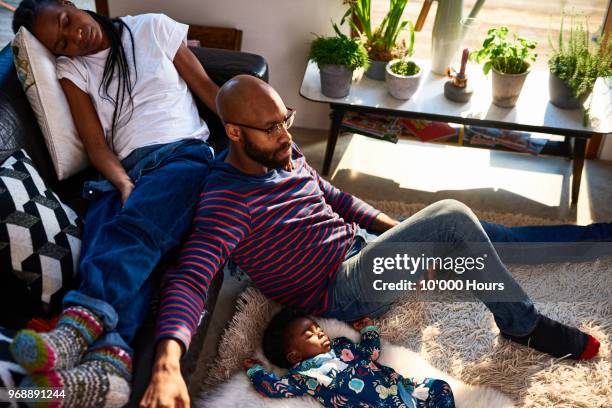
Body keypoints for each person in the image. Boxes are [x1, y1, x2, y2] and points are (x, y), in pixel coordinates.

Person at [143, 75, 606, 406]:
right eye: (272, 129)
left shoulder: (282, 152)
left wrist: (395, 229)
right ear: (234, 132)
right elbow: (189, 277)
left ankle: (600, 238)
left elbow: (331, 195)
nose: (286, 135)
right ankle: (522, 325)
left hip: (362, 250)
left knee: (490, 241)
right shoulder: (226, 203)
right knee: (451, 216)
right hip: (341, 289)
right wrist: (166, 363)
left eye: (286, 119)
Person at [9, 1, 220, 406]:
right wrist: (123, 183)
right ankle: (112, 368)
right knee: (108, 244)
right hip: (123, 173)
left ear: (72, 6)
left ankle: (78, 326)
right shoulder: (73, 71)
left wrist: (259, 124)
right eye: (62, 43)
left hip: (183, 158)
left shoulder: (152, 28)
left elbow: (209, 90)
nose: (74, 37)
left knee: (132, 234)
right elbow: (95, 145)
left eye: (68, 21)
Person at [243, 308, 456, 407]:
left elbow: (371, 353)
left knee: (440, 388)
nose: (320, 332)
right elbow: (273, 388)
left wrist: (368, 330)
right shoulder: (302, 375)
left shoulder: (342, 346)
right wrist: (256, 371)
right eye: (310, 334)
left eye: (317, 328)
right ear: (294, 355)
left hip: (402, 392)